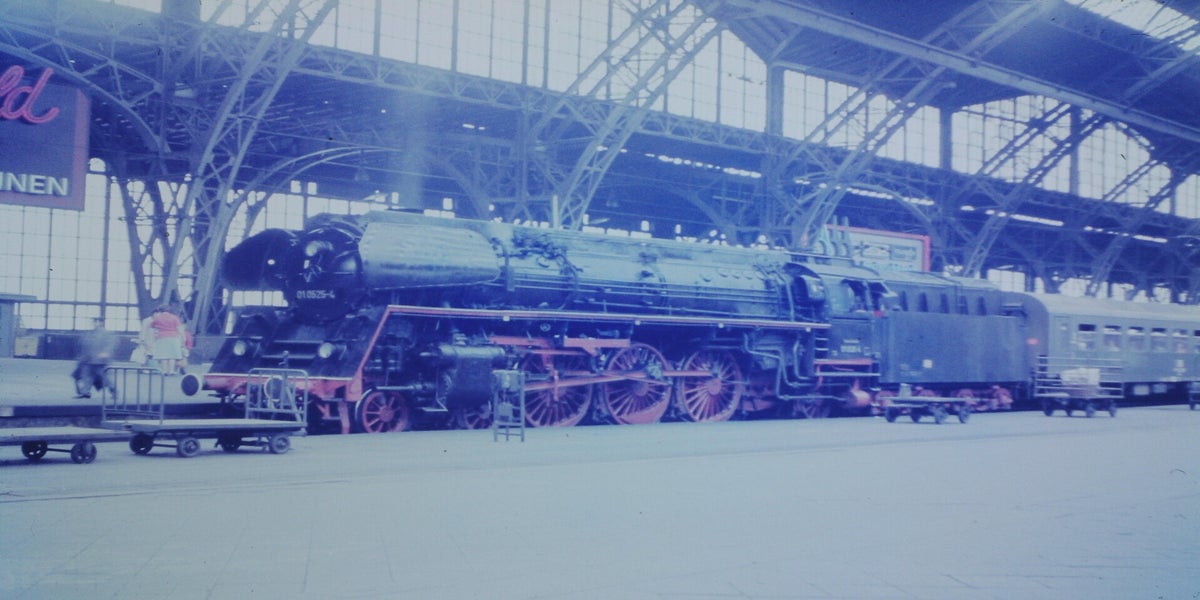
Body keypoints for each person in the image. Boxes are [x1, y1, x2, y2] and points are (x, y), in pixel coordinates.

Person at [73, 318, 117, 399]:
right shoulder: (88, 333)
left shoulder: (107, 333)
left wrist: (106, 353)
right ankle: (85, 392)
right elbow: (83, 345)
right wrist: (81, 357)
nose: (93, 324)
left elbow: (111, 344)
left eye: (96, 322)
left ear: (100, 323)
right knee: (86, 376)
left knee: (103, 376)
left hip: (99, 360)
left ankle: (113, 390)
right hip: (87, 359)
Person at [149, 306, 184, 375]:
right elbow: (179, 328)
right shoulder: (174, 317)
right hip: (173, 337)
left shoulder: (158, 318)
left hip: (161, 337)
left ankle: (164, 371)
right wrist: (183, 337)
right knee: (172, 355)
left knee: (163, 355)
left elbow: (151, 325)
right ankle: (171, 371)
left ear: (160, 311)